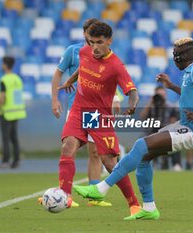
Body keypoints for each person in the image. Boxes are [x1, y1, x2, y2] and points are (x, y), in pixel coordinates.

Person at [73, 37, 193, 220]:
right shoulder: (190, 71)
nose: (174, 59)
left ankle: (102, 188)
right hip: (185, 125)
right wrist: (170, 86)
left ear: (185, 56)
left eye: (176, 55)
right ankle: (149, 208)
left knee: (141, 145)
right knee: (144, 157)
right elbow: (192, 93)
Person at [57, 21, 142, 216]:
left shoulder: (116, 66)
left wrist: (133, 104)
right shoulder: (84, 52)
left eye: (99, 42)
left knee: (109, 162)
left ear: (109, 41)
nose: (94, 47)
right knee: (67, 147)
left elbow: (132, 90)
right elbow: (84, 67)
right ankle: (65, 197)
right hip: (79, 110)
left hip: (99, 116)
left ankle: (134, 204)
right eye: (91, 42)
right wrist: (70, 79)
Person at [50, 18, 114, 207]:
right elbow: (58, 74)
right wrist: (55, 100)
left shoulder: (103, 52)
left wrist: (116, 98)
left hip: (95, 110)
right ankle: (64, 195)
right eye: (89, 33)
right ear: (85, 33)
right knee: (69, 148)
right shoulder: (73, 51)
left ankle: (94, 196)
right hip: (76, 107)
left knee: (95, 152)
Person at [140, 86, 182, 171]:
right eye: (158, 95)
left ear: (165, 96)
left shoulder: (171, 106)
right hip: (152, 133)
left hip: (167, 132)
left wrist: (162, 126)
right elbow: (142, 116)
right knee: (140, 142)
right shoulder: (151, 107)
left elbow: (174, 122)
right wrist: (151, 101)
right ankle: (141, 165)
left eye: (162, 95)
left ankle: (176, 164)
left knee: (177, 139)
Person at [0, 56, 26, 169]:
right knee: (14, 138)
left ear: (5, 65)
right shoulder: (17, 78)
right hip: (16, 112)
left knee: (5, 138)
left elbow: (2, 96)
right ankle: (16, 160)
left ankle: (5, 161)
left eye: (2, 63)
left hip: (6, 112)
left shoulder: (4, 79)